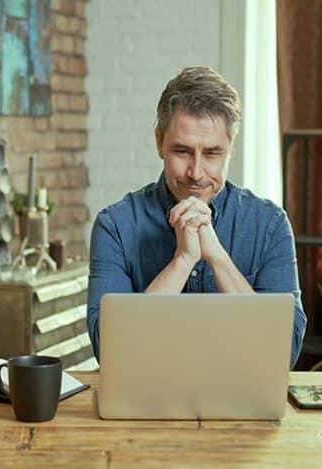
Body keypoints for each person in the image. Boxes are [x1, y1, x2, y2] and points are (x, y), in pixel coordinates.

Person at [86, 66, 307, 368]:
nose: (197, 172)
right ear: (159, 142)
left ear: (231, 149)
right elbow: (109, 350)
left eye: (213, 153)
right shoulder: (114, 226)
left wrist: (216, 257)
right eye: (182, 151)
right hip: (145, 405)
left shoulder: (270, 224)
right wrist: (183, 260)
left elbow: (285, 351)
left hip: (243, 405)